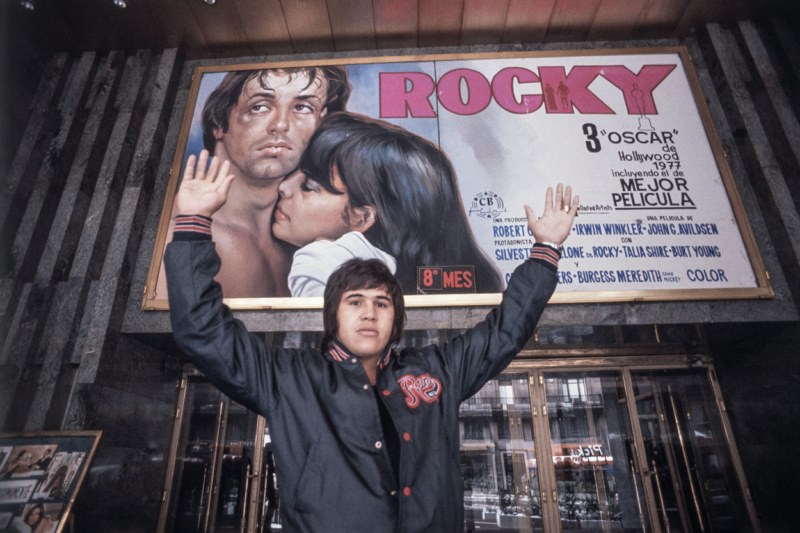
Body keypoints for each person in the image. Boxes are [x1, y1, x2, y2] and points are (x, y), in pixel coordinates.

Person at [165, 153, 578, 532]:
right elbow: (201, 328)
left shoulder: (436, 372)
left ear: (396, 319)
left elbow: (504, 331)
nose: (369, 313)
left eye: (382, 303)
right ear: (333, 315)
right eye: (355, 301)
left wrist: (545, 250)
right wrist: (193, 224)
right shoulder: (287, 379)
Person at [157, 66, 350, 298]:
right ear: (219, 121)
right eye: (259, 107)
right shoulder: (176, 236)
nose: (280, 124)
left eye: (302, 108)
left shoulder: (308, 241)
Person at [274, 112, 502, 294]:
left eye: (309, 186)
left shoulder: (321, 262)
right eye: (295, 172)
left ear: (362, 217)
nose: (283, 187)